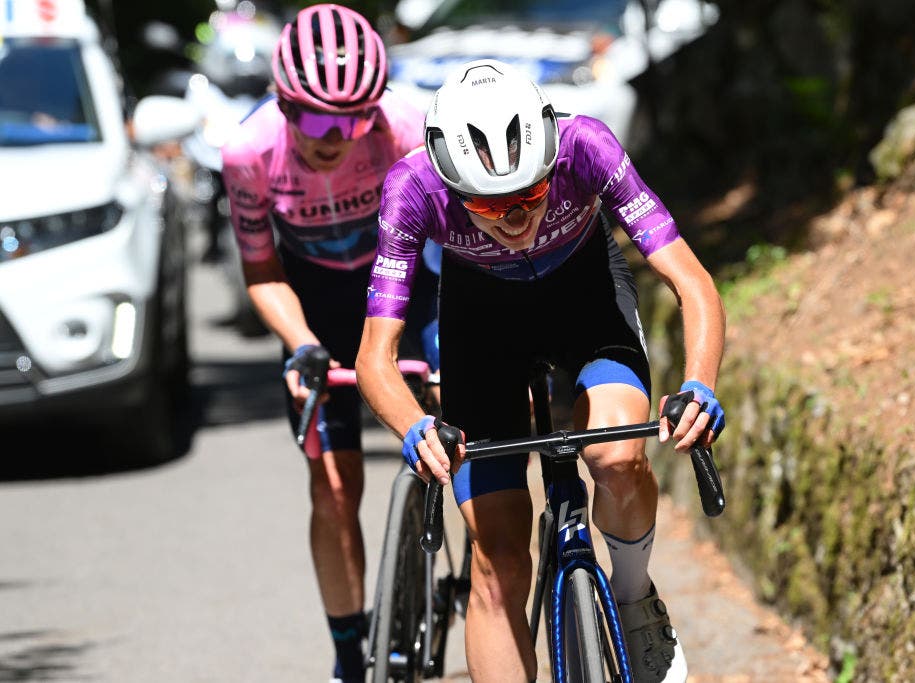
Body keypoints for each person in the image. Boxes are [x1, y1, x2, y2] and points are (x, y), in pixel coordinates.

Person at [356, 59, 726, 682]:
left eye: (529, 195)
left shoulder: (586, 146)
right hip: (482, 324)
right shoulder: (412, 187)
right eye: (487, 205)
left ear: (550, 160)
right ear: (450, 186)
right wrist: (415, 427)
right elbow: (375, 355)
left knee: (617, 460)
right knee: (496, 563)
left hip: (587, 303)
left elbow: (693, 284)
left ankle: (635, 598)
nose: (514, 218)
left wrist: (700, 384)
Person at [220, 5, 439, 682]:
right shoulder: (248, 153)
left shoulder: (400, 128)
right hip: (314, 307)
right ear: (284, 105)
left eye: (353, 119)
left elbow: (448, 244)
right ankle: (350, 653)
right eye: (317, 119)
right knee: (335, 487)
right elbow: (262, 269)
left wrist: (447, 346)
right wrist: (301, 343)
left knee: (469, 445)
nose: (336, 137)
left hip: (408, 292)